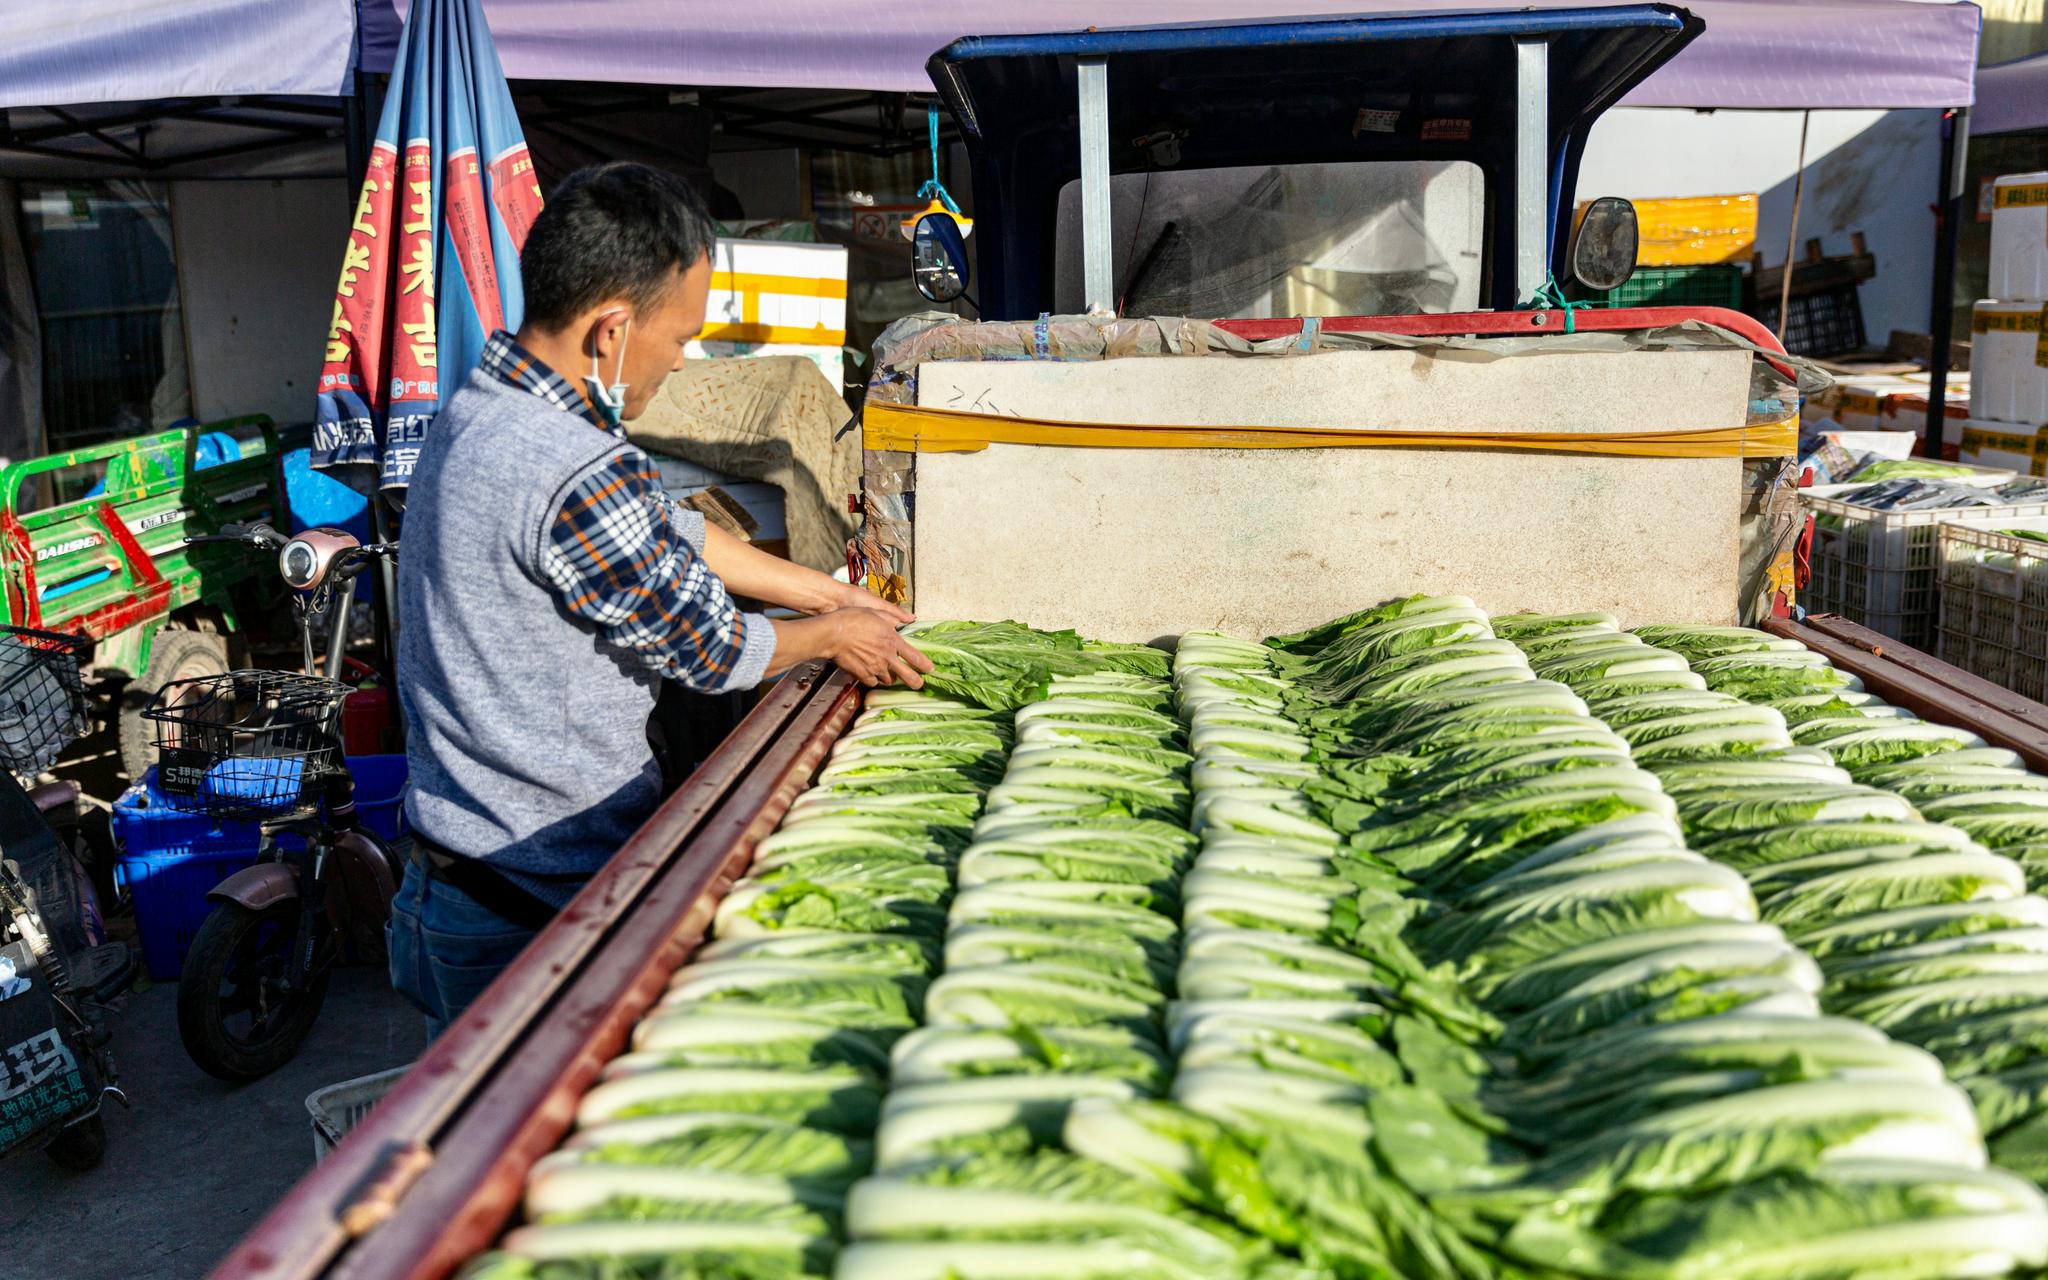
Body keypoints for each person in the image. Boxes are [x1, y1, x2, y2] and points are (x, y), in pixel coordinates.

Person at [388, 162, 931, 1035]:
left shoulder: (483, 409)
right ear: (611, 329)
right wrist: (831, 638)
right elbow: (712, 651)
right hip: (528, 904)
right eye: (679, 339)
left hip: (448, 871)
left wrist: (822, 590)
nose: (680, 365)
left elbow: (659, 527)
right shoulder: (569, 465)